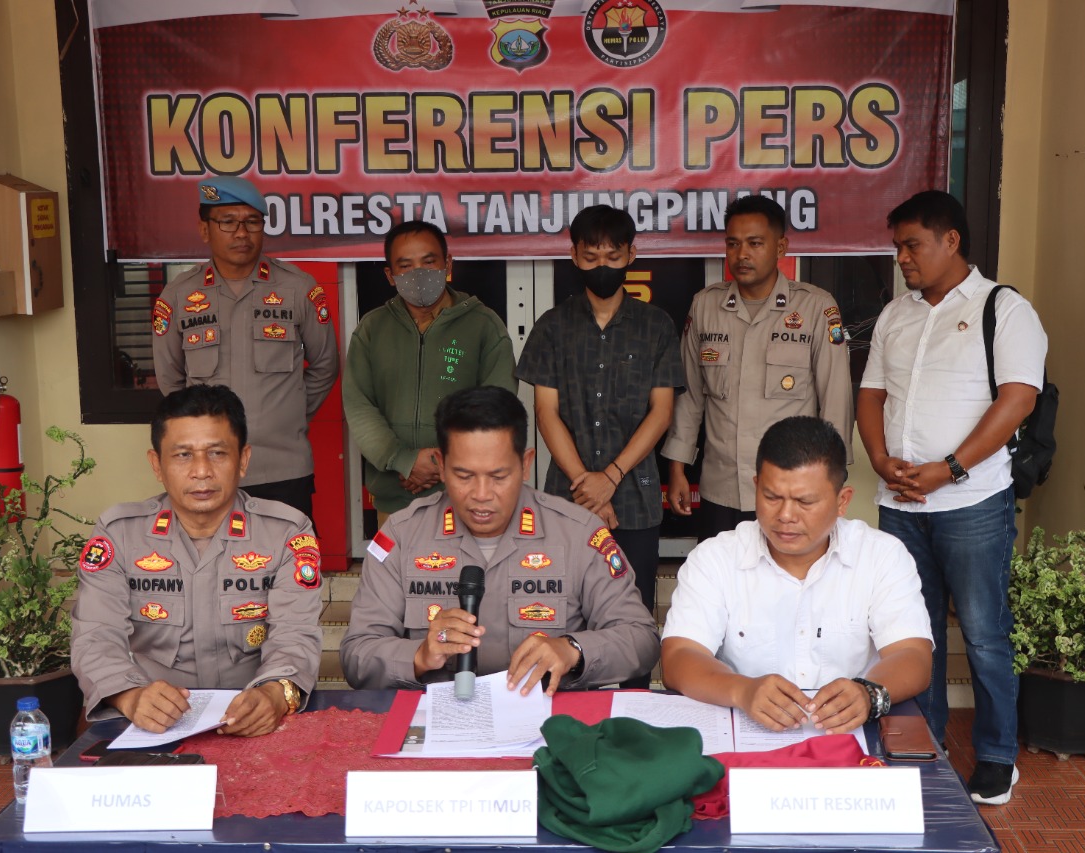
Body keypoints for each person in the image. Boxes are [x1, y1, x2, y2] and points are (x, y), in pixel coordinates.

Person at [856, 190, 1047, 805]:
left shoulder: (1006, 310)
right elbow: (870, 396)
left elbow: (1017, 399)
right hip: (901, 505)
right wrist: (881, 460)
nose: (901, 258)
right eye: (897, 247)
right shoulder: (896, 314)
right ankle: (924, 745)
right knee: (913, 632)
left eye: (911, 245)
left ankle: (995, 756)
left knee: (987, 634)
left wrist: (950, 469)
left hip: (972, 505)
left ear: (951, 240)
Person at [341, 386, 659, 695]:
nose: (481, 495)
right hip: (437, 731)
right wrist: (419, 656)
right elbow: (357, 655)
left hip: (547, 731)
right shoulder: (401, 536)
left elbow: (642, 639)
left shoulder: (577, 534)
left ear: (525, 464)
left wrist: (572, 650)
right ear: (440, 463)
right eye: (464, 476)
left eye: (498, 477)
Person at [71, 384, 323, 737]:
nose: (201, 471)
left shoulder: (285, 533)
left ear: (244, 460)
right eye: (183, 455)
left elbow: (295, 634)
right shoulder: (120, 534)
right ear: (157, 464)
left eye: (218, 453)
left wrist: (274, 694)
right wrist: (129, 695)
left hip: (252, 717)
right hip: (152, 721)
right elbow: (96, 635)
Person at [661, 416, 932, 735]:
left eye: (805, 502)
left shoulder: (881, 556)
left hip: (850, 739)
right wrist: (742, 690)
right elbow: (679, 656)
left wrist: (867, 692)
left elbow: (912, 655)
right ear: (756, 487)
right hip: (742, 736)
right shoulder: (715, 558)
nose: (785, 516)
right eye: (772, 497)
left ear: (842, 501)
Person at [515, 204, 684, 683]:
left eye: (612, 255)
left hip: (635, 496)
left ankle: (633, 709)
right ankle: (564, 710)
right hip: (564, 498)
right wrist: (584, 486)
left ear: (632, 254)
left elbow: (662, 412)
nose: (602, 267)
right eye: (590, 257)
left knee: (633, 615)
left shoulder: (656, 326)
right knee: (561, 609)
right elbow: (545, 412)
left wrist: (608, 479)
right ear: (573, 255)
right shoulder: (552, 325)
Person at [662, 194, 853, 540]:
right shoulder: (706, 306)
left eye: (754, 243)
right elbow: (690, 397)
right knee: (723, 588)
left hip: (791, 492)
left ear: (781, 247)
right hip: (721, 487)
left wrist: (830, 483)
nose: (742, 255)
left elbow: (836, 401)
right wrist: (677, 468)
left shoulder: (815, 308)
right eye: (733, 244)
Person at [151, 176, 339, 521]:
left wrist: (288, 415)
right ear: (205, 229)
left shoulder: (297, 288)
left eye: (252, 222)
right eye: (228, 222)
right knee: (209, 567)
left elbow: (326, 365)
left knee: (289, 567)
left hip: (282, 467)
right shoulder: (178, 296)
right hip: (207, 472)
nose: (242, 233)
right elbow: (170, 380)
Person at [342, 220, 516, 526]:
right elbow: (359, 406)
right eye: (405, 266)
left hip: (468, 496)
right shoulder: (372, 329)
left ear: (447, 264)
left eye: (428, 262)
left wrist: (445, 463)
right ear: (390, 275)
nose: (418, 274)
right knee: (395, 574)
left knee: (468, 575)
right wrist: (403, 461)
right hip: (395, 500)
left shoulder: (484, 326)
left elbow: (497, 406)